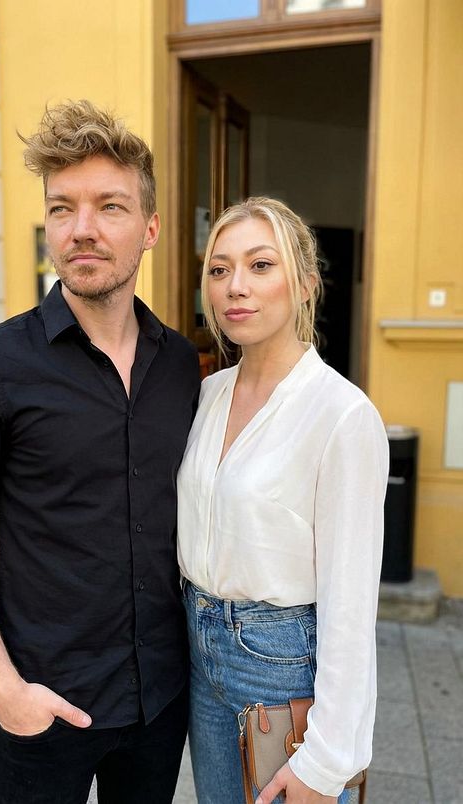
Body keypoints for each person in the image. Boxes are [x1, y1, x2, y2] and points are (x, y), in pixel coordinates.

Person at [0, 100, 201, 804]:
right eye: (63, 208)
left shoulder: (181, 366)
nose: (83, 230)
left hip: (159, 701)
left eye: (110, 206)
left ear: (150, 227)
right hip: (42, 705)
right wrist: (3, 690)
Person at [177, 197, 388, 804]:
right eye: (218, 270)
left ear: (305, 284)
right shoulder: (205, 395)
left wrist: (328, 759)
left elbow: (352, 606)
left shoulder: (342, 415)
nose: (234, 287)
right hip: (198, 648)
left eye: (260, 265)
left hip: (280, 666)